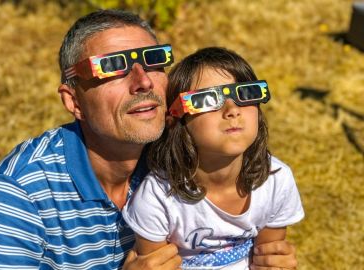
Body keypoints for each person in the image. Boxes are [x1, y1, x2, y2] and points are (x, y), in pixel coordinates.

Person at [0, 9, 299, 270]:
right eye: (112, 67)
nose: (142, 82)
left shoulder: (185, 148)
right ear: (73, 101)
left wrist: (269, 257)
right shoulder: (19, 192)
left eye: (153, 61)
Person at [122, 47, 305, 269]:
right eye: (208, 99)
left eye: (245, 94)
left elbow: (269, 257)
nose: (232, 109)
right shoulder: (157, 197)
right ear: (174, 119)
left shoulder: (276, 180)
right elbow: (154, 264)